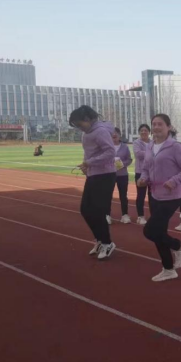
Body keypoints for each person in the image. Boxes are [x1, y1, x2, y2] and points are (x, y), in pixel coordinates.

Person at [137, 114, 181, 282]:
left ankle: (180, 247)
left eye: (160, 124)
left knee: (150, 231)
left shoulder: (175, 147)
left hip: (172, 195)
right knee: (158, 232)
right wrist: (143, 178)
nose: (156, 127)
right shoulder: (150, 146)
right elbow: (146, 168)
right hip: (154, 193)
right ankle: (168, 269)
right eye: (154, 124)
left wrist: (174, 181)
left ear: (168, 127)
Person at [69, 105, 117, 261]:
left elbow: (110, 152)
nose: (79, 128)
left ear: (87, 119)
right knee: (85, 209)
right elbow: (87, 152)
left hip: (105, 175)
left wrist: (90, 162)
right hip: (93, 174)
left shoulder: (100, 131)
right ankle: (100, 239)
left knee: (98, 211)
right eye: (76, 126)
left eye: (79, 124)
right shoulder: (86, 134)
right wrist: (85, 165)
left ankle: (107, 243)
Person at [107, 127, 133, 225]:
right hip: (110, 174)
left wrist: (121, 164)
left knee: (123, 196)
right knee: (108, 195)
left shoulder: (125, 147)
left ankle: (125, 215)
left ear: (119, 135)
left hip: (122, 174)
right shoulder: (107, 146)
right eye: (112, 133)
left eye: (116, 133)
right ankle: (107, 215)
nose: (114, 135)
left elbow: (129, 159)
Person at [133, 124, 151, 225]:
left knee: (152, 195)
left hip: (152, 172)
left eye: (146, 130)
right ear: (139, 132)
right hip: (140, 172)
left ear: (149, 132)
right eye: (142, 130)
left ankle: (153, 215)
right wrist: (151, 153)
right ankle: (140, 216)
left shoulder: (153, 142)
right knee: (141, 195)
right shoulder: (136, 142)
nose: (144, 132)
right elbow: (138, 154)